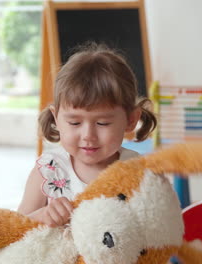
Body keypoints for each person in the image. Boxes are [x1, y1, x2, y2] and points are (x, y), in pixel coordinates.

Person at [17, 43, 157, 227]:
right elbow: (15, 229)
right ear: (56, 119)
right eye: (74, 123)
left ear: (131, 120)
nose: (88, 136)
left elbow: (155, 235)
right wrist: (41, 217)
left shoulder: (137, 172)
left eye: (102, 123)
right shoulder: (49, 170)